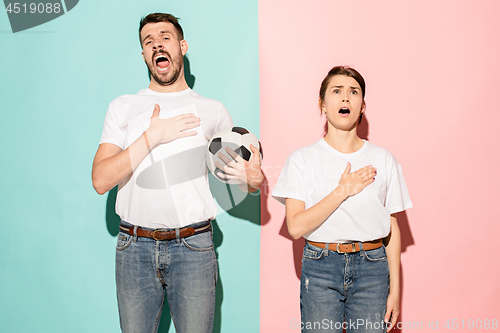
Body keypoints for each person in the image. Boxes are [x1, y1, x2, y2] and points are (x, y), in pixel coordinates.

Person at [91, 13, 263, 333]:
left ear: (182, 46)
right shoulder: (123, 106)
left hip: (193, 248)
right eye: (148, 41)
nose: (157, 43)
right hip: (134, 248)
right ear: (144, 54)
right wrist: (151, 137)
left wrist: (254, 179)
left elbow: (246, 171)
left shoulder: (212, 110)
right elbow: (101, 180)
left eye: (165, 37)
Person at [272, 66, 412, 333]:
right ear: (322, 105)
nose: (345, 98)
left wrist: (395, 291)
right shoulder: (301, 159)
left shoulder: (384, 159)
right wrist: (342, 191)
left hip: (373, 268)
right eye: (336, 91)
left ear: (362, 106)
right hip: (320, 266)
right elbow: (295, 227)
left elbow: (391, 226)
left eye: (353, 92)